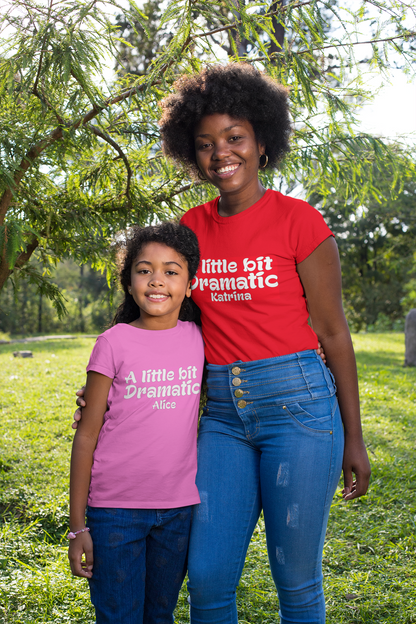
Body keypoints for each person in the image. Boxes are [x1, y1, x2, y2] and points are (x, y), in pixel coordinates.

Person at [75, 63, 371, 624]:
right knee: (207, 578)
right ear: (192, 152)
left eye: (235, 138)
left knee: (295, 577)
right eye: (206, 143)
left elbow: (334, 333)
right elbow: (159, 312)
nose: (221, 153)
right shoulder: (192, 228)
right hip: (222, 418)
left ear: (262, 141)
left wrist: (353, 436)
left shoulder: (300, 221)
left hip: (300, 406)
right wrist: (105, 387)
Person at [68, 222, 204, 624]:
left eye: (171, 271)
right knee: (119, 616)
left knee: (160, 616)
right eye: (144, 270)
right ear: (129, 283)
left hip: (178, 510)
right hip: (115, 512)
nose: (157, 280)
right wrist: (78, 528)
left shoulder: (201, 337)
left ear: (190, 284)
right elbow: (86, 435)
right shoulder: (114, 342)